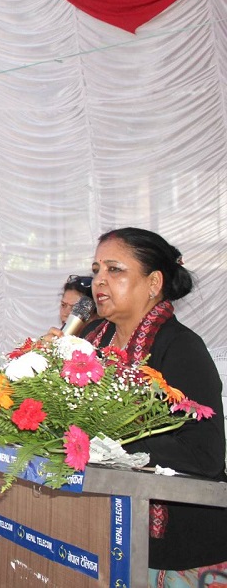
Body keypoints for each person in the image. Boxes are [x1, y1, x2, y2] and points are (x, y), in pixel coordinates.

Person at [77, 227, 226, 580]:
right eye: (97, 270)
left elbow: (204, 455)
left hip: (176, 546)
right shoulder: (87, 342)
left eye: (115, 270)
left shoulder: (180, 348)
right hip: (94, 527)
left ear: (153, 282)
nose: (99, 281)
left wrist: (114, 439)